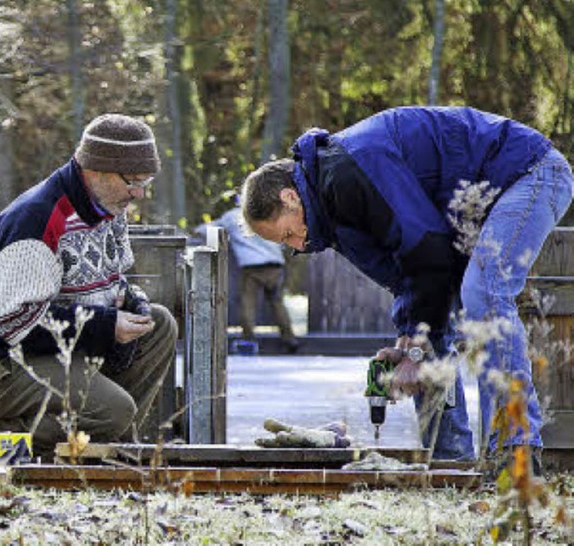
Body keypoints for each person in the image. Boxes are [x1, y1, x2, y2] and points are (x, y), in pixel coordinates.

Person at [240, 106, 574, 465]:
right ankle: (451, 462)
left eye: (289, 233)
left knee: (484, 290)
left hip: (529, 172)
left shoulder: (347, 172)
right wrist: (408, 340)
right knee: (428, 334)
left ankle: (515, 448)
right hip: (468, 217)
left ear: (289, 197)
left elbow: (427, 249)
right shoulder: (332, 216)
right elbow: (409, 279)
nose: (297, 246)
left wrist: (417, 345)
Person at [0, 113, 178, 460]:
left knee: (159, 324)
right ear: (96, 169)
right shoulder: (36, 218)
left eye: (145, 181)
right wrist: (104, 325)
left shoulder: (109, 209)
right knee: (114, 410)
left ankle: (109, 442)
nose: (139, 193)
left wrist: (133, 302)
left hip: (57, 354)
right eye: (132, 181)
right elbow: (16, 324)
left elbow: (115, 280)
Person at [213, 201, 299, 354]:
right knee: (276, 303)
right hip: (274, 264)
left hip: (251, 266)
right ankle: (289, 338)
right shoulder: (268, 212)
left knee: (248, 303)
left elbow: (212, 228)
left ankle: (249, 339)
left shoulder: (232, 216)